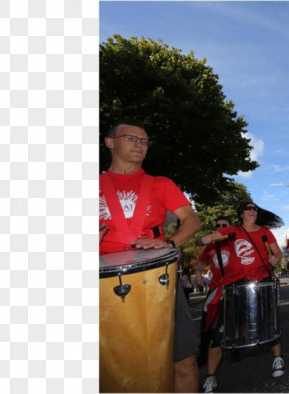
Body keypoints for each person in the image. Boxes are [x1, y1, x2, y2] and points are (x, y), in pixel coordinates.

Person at [98, 120, 202, 392]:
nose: (139, 145)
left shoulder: (161, 184)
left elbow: (191, 220)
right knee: (115, 368)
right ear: (110, 142)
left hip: (159, 280)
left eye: (144, 141)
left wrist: (170, 242)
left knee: (184, 361)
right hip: (102, 285)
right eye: (131, 138)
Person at [195, 203, 286, 392]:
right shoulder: (232, 231)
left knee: (268, 323)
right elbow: (211, 238)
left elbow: (277, 252)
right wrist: (203, 239)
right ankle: (211, 377)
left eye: (255, 209)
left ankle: (278, 359)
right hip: (233, 287)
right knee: (220, 332)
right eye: (248, 209)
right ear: (241, 214)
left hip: (260, 284)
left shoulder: (264, 232)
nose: (253, 211)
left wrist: (275, 259)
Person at [194, 217, 232, 367]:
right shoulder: (210, 245)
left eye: (224, 225)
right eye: (218, 225)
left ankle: (235, 347)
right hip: (216, 287)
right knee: (206, 318)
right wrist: (198, 274)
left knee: (233, 317)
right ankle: (204, 352)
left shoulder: (234, 241)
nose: (221, 227)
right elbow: (202, 260)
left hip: (233, 286)